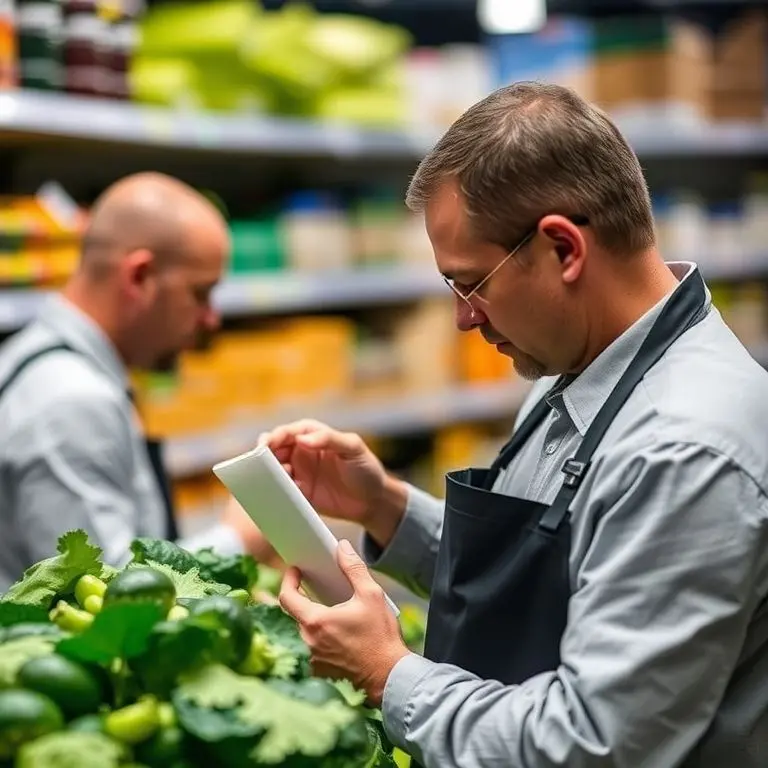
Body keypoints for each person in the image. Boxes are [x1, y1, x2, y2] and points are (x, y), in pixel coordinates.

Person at [265, 82, 768, 767]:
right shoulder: (581, 367)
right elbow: (562, 571)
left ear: (563, 249)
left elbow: (592, 745)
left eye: (471, 284)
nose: (463, 319)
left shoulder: (683, 451)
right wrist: (383, 505)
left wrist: (387, 673)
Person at [0, 172, 265, 590]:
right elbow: (103, 593)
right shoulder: (71, 402)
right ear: (138, 277)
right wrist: (238, 538)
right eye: (200, 293)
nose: (210, 318)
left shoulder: (39, 357)